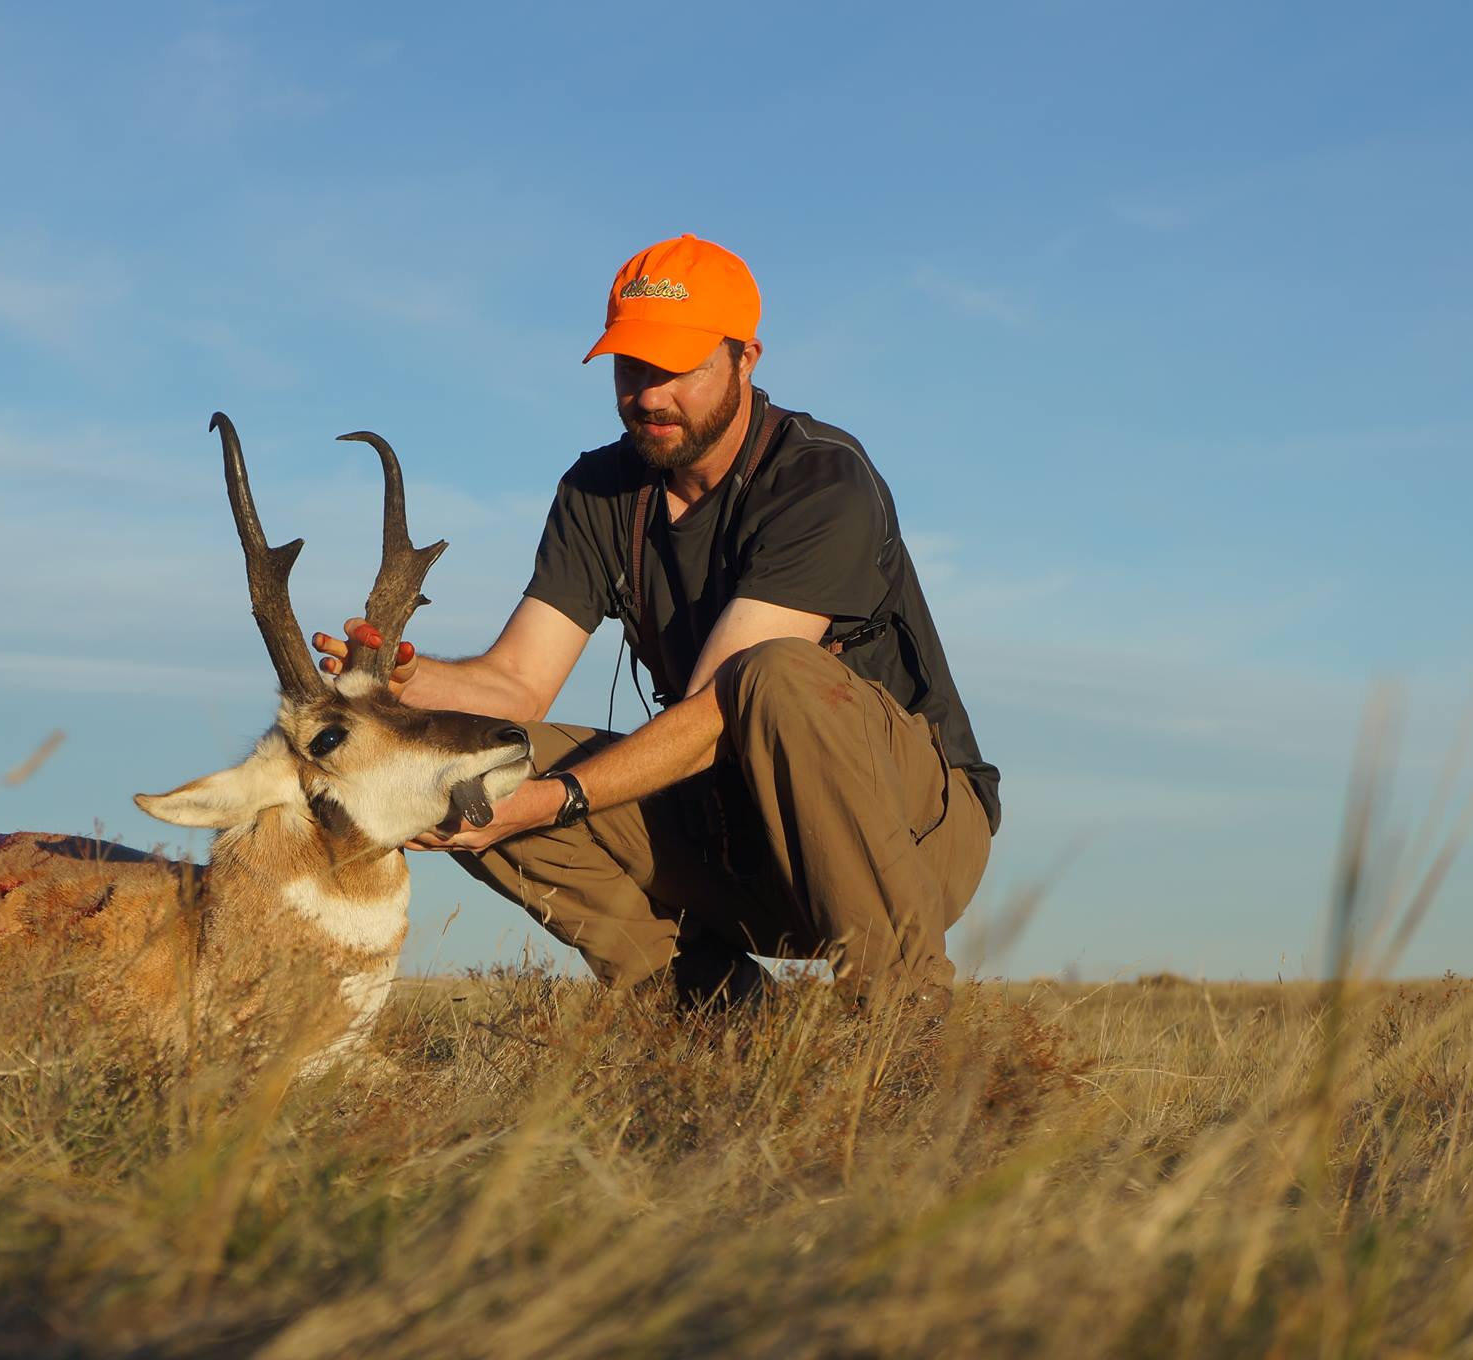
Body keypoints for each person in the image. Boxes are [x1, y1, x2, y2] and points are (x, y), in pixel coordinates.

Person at [313, 234, 1000, 1012]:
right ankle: (719, 1016)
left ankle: (906, 1032)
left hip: (910, 839)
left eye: (679, 368)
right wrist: (411, 685)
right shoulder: (600, 489)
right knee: (469, 763)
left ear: (747, 359)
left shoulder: (821, 479)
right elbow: (515, 684)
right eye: (632, 367)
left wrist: (550, 800)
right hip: (736, 840)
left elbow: (719, 712)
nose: (650, 394)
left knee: (775, 676)